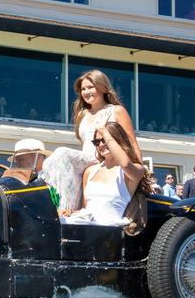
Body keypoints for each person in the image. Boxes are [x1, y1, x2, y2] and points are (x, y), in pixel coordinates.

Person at [42, 69, 141, 212]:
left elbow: (132, 142)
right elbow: (86, 143)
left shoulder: (116, 111)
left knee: (62, 153)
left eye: (90, 87)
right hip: (87, 161)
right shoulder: (82, 114)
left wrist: (139, 169)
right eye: (83, 89)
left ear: (102, 87)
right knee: (51, 161)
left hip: (104, 159)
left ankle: (65, 209)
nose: (86, 92)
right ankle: (59, 208)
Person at [61, 122, 150, 225]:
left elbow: (125, 164)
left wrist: (104, 131)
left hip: (110, 229)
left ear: (118, 140)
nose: (101, 145)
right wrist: (70, 212)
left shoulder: (135, 169)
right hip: (86, 225)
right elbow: (87, 210)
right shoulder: (90, 171)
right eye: (97, 142)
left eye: (104, 140)